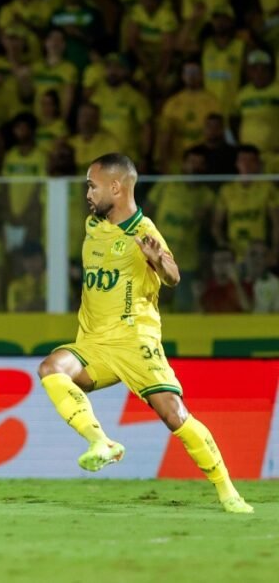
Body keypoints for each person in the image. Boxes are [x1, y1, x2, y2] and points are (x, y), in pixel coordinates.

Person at [37, 153, 253, 513]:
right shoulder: (93, 226)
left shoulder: (144, 231)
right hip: (94, 343)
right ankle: (101, 442)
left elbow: (173, 276)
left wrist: (158, 260)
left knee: (174, 415)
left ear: (116, 187)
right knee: (51, 368)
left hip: (135, 342)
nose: (87, 194)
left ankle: (228, 491)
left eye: (92, 186)